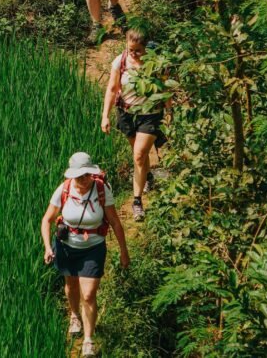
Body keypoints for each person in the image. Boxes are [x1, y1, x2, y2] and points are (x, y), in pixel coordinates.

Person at [41, 152, 129, 358]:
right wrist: (47, 247)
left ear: (92, 173)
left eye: (86, 175)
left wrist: (124, 251)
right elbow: (47, 220)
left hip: (93, 247)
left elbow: (115, 222)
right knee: (70, 284)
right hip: (66, 247)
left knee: (88, 294)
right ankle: (74, 315)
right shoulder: (63, 190)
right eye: (79, 177)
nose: (82, 180)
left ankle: (88, 340)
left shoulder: (101, 190)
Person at [101, 29, 167, 221]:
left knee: (138, 155)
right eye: (131, 49)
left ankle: (137, 202)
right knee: (139, 154)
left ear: (146, 48)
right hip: (127, 113)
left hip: (150, 114)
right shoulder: (120, 61)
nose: (134, 54)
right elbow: (112, 89)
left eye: (138, 50)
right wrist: (105, 116)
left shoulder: (156, 64)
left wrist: (170, 113)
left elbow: (166, 89)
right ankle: (148, 177)